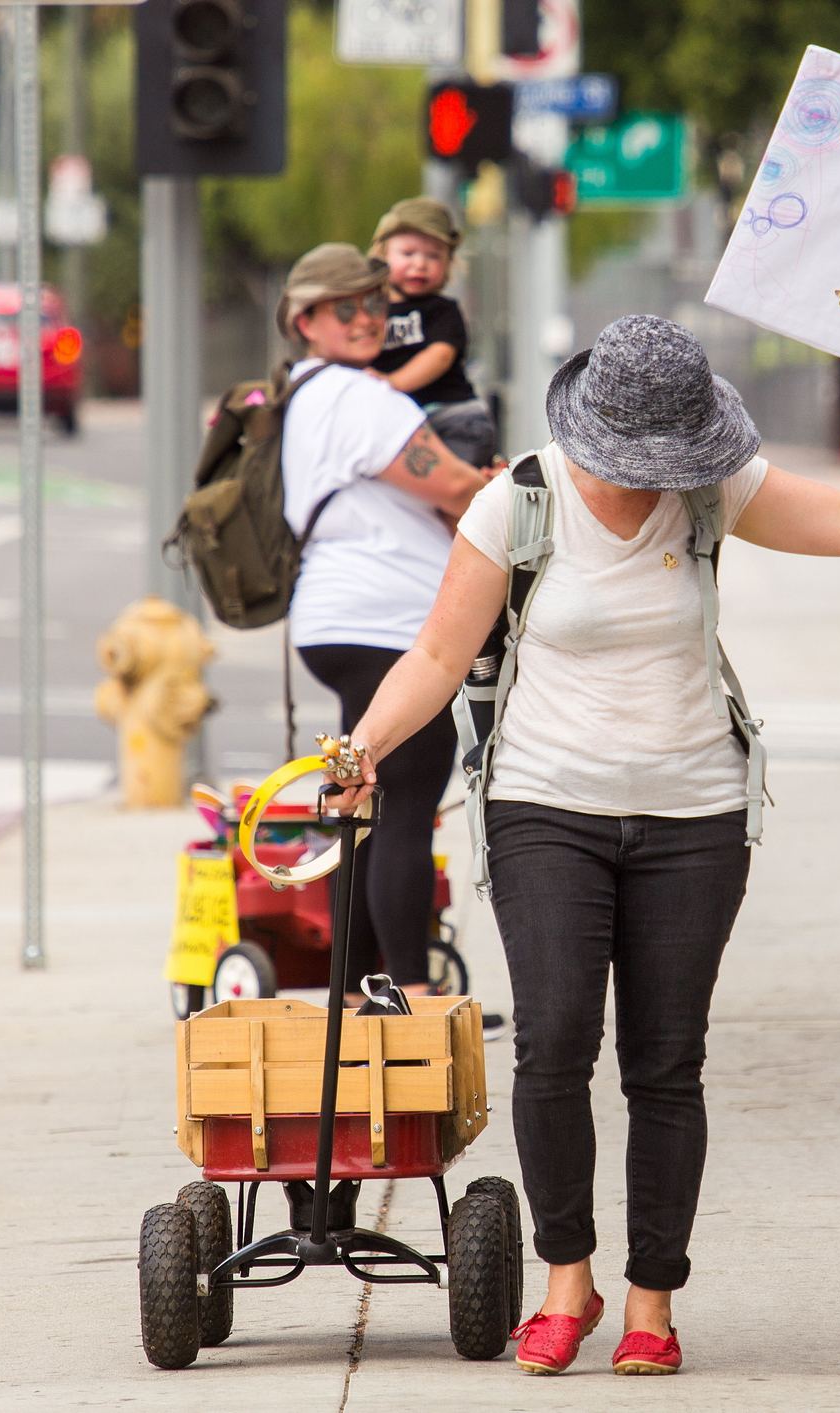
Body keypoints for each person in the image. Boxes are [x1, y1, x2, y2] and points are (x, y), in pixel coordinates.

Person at [322, 315, 840, 1378]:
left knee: (666, 1062)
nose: (652, 479)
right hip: (544, 804)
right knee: (556, 1040)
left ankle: (652, 1299)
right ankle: (565, 1277)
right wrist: (365, 749)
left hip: (695, 813)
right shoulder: (516, 502)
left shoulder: (716, 488)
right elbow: (438, 654)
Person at [276, 242, 493, 1005]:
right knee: (402, 801)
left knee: (362, 805)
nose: (368, 317)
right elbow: (455, 484)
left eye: (375, 303)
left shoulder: (304, 393)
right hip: (388, 622)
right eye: (347, 307)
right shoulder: (359, 398)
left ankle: (356, 989)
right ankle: (410, 991)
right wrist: (498, 487)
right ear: (306, 318)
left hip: (336, 615)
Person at [368, 197, 498, 467]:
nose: (420, 264)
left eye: (433, 256)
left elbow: (439, 356)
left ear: (449, 265)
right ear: (382, 255)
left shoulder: (442, 310)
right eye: (408, 254)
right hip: (403, 425)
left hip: (453, 420)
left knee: (456, 495)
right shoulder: (369, 312)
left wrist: (391, 384)